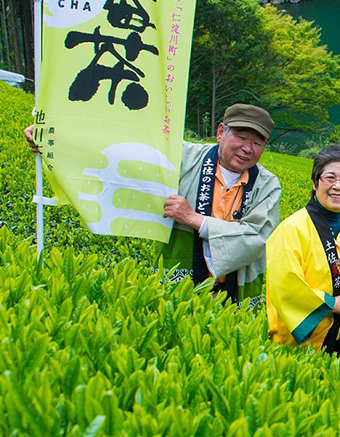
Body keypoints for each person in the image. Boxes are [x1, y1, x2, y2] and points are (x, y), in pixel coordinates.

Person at [23, 103, 282, 304]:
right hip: (180, 278)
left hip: (233, 292)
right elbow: (124, 152)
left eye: (257, 142)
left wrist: (194, 219)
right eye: (241, 137)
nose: (248, 148)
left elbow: (258, 237)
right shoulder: (182, 157)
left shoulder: (267, 185)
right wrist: (59, 138)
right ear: (220, 132)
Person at [265, 145, 340, 367]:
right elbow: (285, 287)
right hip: (307, 339)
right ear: (315, 182)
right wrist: (331, 304)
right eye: (330, 177)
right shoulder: (292, 228)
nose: (338, 186)